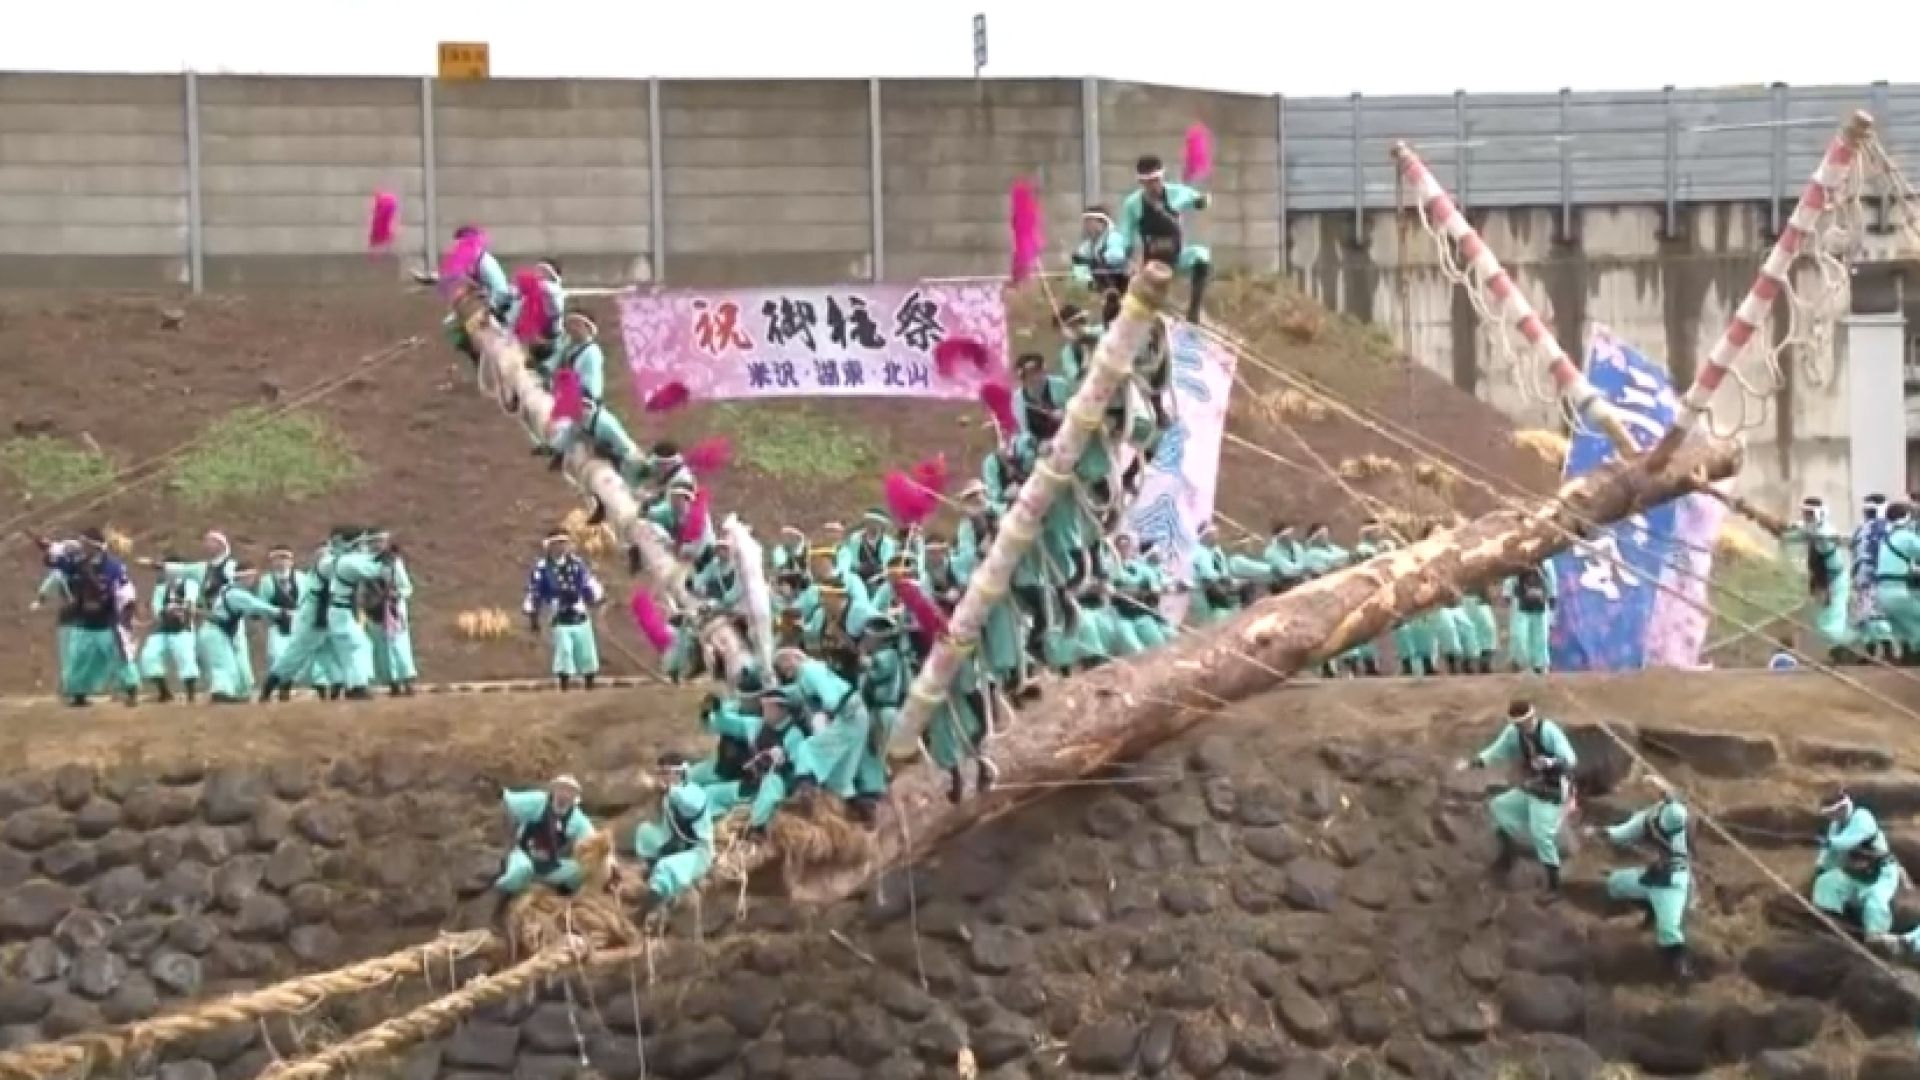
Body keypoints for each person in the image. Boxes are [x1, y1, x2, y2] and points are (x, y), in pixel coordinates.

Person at [1456, 699, 1577, 893]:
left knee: (1542, 835)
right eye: (1519, 724)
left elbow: (1570, 760)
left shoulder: (1548, 731)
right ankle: (1515, 847)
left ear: (1533, 717)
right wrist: (1471, 763)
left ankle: (1554, 885)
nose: (1523, 727)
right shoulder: (1514, 733)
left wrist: (1549, 762)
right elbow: (1495, 752)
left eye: (1526, 722)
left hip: (1552, 788)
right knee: (1500, 806)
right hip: (1531, 786)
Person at [1590, 783, 1693, 978]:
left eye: (1654, 790)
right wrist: (1599, 833)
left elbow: (1678, 815)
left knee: (1669, 931)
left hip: (1672, 881)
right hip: (1652, 875)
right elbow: (1622, 833)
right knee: (1616, 883)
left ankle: (1680, 970)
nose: (1649, 791)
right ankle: (1650, 909)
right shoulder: (1647, 816)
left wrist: (1667, 792)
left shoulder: (1673, 815)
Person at [42, 529, 139, 707]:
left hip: (107, 621)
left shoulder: (113, 566)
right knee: (78, 658)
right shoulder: (77, 563)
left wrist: (126, 616)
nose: (82, 547)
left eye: (85, 543)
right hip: (84, 620)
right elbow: (52, 561)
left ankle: (131, 690)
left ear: (94, 545)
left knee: (119, 657)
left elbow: (125, 593)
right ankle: (78, 694)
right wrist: (46, 547)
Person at [1114, 154, 1213, 323]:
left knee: (1201, 255)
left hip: (1177, 257)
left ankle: (1194, 311)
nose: (1153, 186)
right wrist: (1126, 259)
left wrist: (1203, 201)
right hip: (1153, 265)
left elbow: (1200, 200)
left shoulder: (1177, 192)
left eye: (1156, 180)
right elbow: (1125, 235)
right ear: (1141, 183)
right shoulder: (1132, 204)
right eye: (1148, 182)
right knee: (1133, 290)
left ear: (1162, 177)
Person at [1811, 790, 1901, 938]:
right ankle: (1833, 924)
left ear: (1842, 808)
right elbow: (1830, 853)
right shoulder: (1836, 825)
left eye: (1832, 813)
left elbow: (1846, 842)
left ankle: (1877, 939)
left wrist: (1828, 842)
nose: (1831, 818)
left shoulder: (1862, 818)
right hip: (1854, 873)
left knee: (1875, 902)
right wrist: (1821, 867)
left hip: (1880, 874)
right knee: (1826, 883)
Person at [525, 530, 604, 691]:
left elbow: (588, 582)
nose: (561, 547)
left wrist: (594, 598)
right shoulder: (542, 568)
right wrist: (533, 616)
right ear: (549, 546)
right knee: (564, 650)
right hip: (559, 614)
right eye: (557, 543)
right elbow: (535, 592)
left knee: (586, 648)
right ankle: (564, 684)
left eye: (564, 543)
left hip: (579, 611)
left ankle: (589, 682)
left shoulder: (576, 564)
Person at [633, 755, 716, 909]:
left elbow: (689, 805)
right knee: (645, 832)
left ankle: (642, 914)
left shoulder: (694, 792)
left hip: (698, 852)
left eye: (666, 773)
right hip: (677, 846)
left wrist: (669, 789)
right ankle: (652, 873)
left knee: (666, 867)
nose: (662, 778)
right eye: (660, 773)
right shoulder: (668, 797)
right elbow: (667, 828)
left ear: (679, 773)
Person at [1781, 495, 1853, 662]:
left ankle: (1843, 650)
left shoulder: (1826, 530)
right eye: (1805, 513)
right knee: (1823, 620)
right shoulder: (1809, 529)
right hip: (1821, 578)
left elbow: (1814, 534)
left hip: (1834, 578)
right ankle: (1841, 649)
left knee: (1833, 618)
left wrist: (1795, 528)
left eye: (1810, 513)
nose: (1807, 517)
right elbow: (1790, 536)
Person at [495, 776, 594, 896]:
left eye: (569, 791)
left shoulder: (577, 818)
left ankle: (561, 895)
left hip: (550, 866)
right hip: (525, 856)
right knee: (521, 871)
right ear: (554, 790)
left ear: (574, 797)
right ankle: (499, 891)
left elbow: (593, 839)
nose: (565, 795)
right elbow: (511, 800)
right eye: (561, 789)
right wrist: (499, 792)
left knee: (580, 872)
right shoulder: (538, 801)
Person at [138, 558, 200, 703]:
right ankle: (164, 692)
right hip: (163, 627)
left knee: (185, 658)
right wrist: (165, 613)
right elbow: (157, 608)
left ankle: (191, 693)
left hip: (182, 627)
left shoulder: (189, 584)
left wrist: (182, 609)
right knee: (149, 656)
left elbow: (190, 601)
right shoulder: (161, 588)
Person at [366, 532, 418, 696]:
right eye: (374, 541)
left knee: (399, 646)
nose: (377, 544)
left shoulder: (393, 562)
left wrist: (395, 595)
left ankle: (407, 680)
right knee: (381, 647)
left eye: (380, 541)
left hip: (393, 609)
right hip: (375, 609)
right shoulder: (364, 562)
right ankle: (392, 682)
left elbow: (406, 587)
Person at [1873, 502, 1920, 665]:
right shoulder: (1907, 538)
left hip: (1882, 592)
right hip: (1898, 591)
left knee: (1902, 628)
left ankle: (1907, 658)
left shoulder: (1888, 536)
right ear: (1906, 518)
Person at [1070, 208, 1130, 325]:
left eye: (1090, 222)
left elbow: (1117, 256)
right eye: (1086, 222)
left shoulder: (1113, 237)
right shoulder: (1088, 245)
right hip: (1100, 286)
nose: (1087, 226)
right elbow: (1080, 265)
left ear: (1101, 223)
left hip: (1120, 283)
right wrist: (1086, 280)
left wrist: (1094, 259)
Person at [1505, 560, 1559, 675]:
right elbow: (1510, 574)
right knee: (1519, 635)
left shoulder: (1546, 561)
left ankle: (1539, 665)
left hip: (1540, 602)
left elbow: (1551, 579)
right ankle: (1521, 664)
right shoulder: (1517, 557)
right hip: (1520, 601)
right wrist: (1507, 592)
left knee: (1540, 636)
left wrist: (1552, 596)